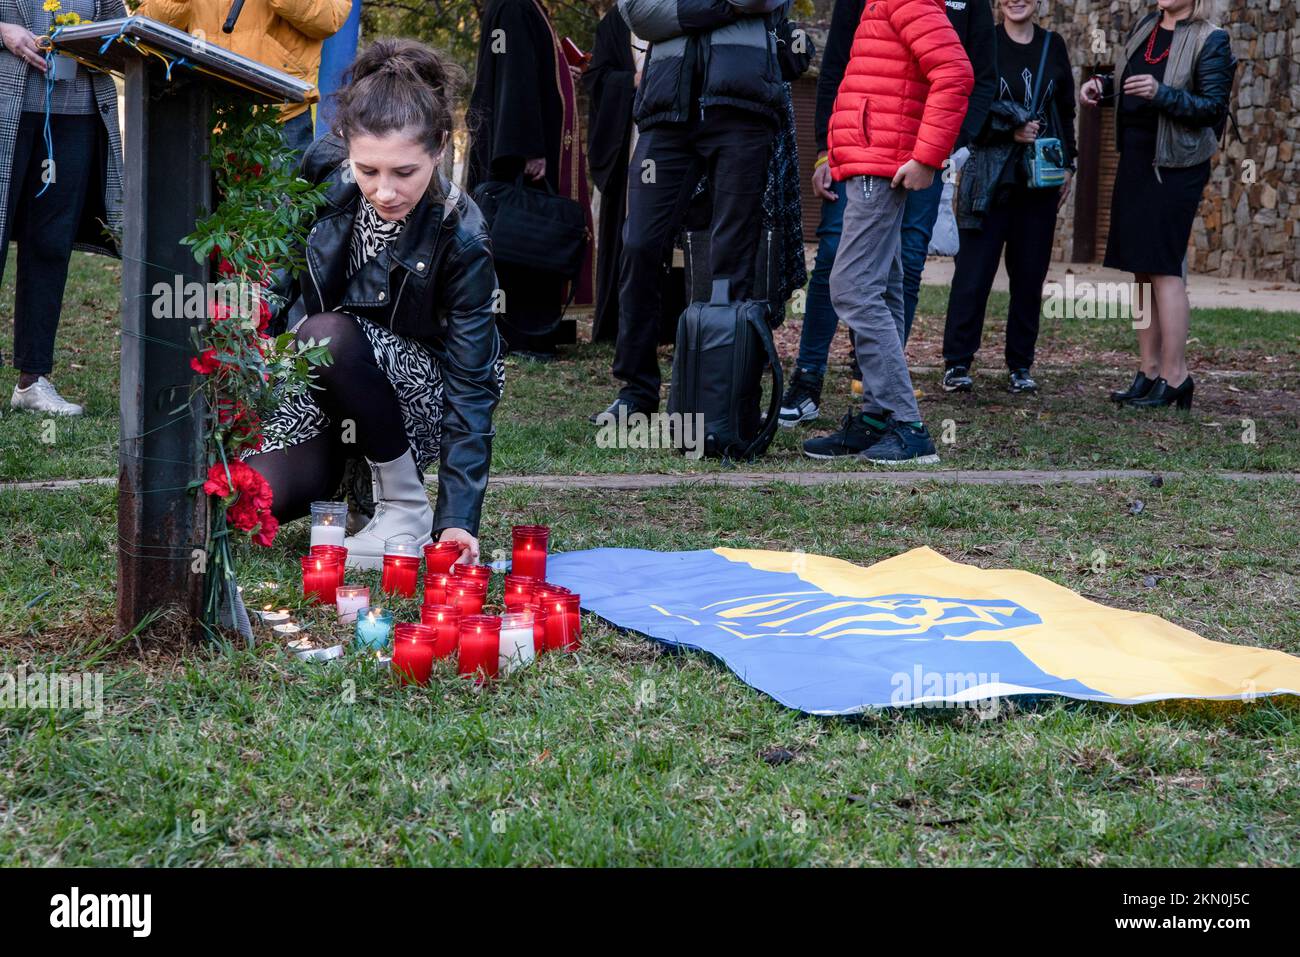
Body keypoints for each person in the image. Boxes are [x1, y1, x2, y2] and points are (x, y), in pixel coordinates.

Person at [245, 39, 504, 569]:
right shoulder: (320, 169)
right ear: (345, 147)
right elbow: (282, 276)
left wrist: (457, 517)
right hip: (321, 384)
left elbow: (473, 382)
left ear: (438, 150)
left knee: (327, 334)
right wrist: (254, 334)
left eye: (404, 172)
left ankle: (405, 507)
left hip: (415, 400)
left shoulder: (464, 234)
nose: (384, 191)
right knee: (243, 505)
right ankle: (351, 492)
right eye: (368, 170)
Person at [782, 0, 994, 431]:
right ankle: (878, 417)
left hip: (884, 164)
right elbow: (847, 73)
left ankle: (902, 422)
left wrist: (931, 156)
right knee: (885, 285)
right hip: (864, 160)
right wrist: (832, 152)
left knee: (853, 286)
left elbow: (958, 74)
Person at [592, 0, 789, 423]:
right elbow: (639, 13)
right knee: (640, 243)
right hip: (666, 111)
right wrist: (724, 7)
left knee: (730, 256)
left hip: (742, 108)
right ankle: (637, 391)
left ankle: (723, 393)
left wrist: (686, 9)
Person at [1082, 0, 1234, 411]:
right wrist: (1102, 87)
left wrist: (1161, 93)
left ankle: (1176, 375)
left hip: (1175, 166)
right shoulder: (1147, 25)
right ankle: (1149, 372)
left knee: (1164, 267)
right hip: (1135, 159)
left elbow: (1212, 108)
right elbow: (1134, 85)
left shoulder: (1211, 39)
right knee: (1142, 268)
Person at [941, 0, 1076, 396]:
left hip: (1038, 180)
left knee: (1029, 277)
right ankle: (958, 363)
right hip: (987, 178)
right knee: (973, 275)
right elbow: (966, 106)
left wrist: (1069, 163)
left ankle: (1020, 364)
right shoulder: (984, 42)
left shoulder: (1055, 45)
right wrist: (1007, 131)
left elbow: (1064, 110)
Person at [2, 0, 126, 416]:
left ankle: (32, 380)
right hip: (8, 110)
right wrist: (3, 30)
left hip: (76, 115)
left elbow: (116, 24)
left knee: (51, 246)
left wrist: (92, 41)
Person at [467, 0, 593, 360]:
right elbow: (514, 75)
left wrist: (562, 73)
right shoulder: (515, 7)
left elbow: (529, 73)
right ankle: (520, 334)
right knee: (524, 237)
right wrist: (527, 148)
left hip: (517, 144)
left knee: (524, 237)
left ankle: (529, 330)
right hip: (519, 152)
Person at [137, 0, 352, 154]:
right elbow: (146, 27)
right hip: (202, 115)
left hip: (278, 116)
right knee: (195, 216)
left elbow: (329, 18)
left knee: (280, 215)